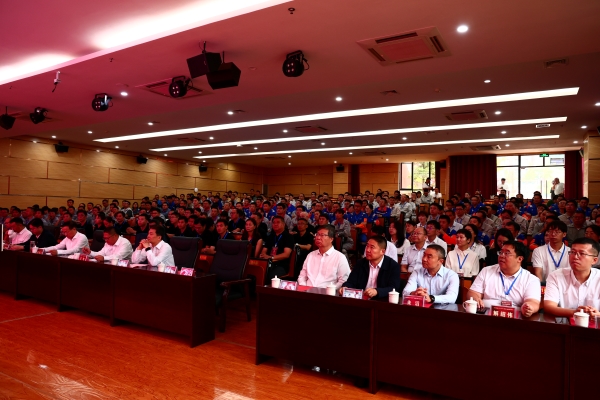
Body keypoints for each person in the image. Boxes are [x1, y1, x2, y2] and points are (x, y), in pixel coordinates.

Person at [467, 241, 541, 317]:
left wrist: (529, 307)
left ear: (519, 259)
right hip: (486, 316)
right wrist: (475, 299)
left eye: (507, 253)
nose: (501, 256)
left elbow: (533, 302)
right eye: (501, 252)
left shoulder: (531, 279)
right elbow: (473, 293)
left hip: (515, 318)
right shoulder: (486, 271)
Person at [543, 238, 600, 317]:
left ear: (594, 260)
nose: (575, 257)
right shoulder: (556, 276)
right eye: (573, 252)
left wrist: (598, 314)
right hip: (564, 323)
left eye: (582, 253)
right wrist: (576, 312)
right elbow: (549, 307)